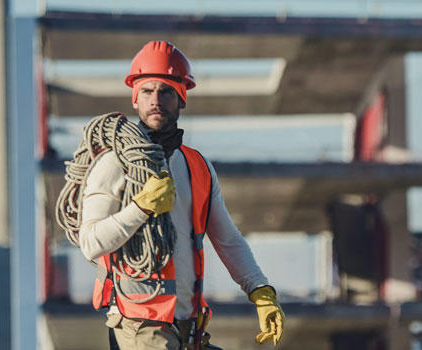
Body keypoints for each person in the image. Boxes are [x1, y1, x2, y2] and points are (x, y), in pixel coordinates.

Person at [77, 40, 284, 349]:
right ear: (135, 98)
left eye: (166, 91)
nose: (156, 100)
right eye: (147, 91)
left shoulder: (197, 166)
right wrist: (141, 207)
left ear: (181, 98)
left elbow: (227, 238)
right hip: (140, 326)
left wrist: (260, 290)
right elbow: (90, 243)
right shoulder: (115, 162)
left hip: (189, 328)